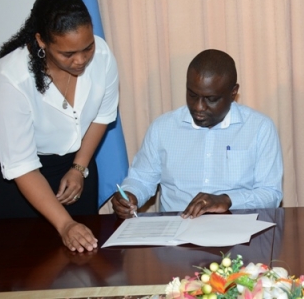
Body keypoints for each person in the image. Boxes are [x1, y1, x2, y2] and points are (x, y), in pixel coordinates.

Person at [0, 0, 119, 252]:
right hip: (16, 176)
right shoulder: (11, 79)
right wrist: (65, 224)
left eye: (87, 47)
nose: (81, 60)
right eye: (67, 54)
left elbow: (102, 116)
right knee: (23, 261)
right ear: (42, 42)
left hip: (75, 164)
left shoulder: (101, 55)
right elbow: (21, 166)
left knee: (83, 257)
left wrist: (79, 168)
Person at [111, 49, 283, 219]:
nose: (199, 107)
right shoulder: (162, 128)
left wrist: (227, 200)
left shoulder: (259, 128)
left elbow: (270, 194)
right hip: (175, 234)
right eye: (192, 95)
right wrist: (130, 195)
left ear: (233, 93)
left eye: (211, 99)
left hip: (237, 233)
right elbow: (141, 179)